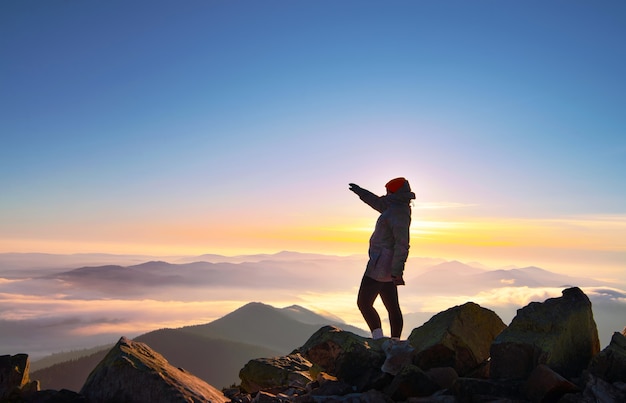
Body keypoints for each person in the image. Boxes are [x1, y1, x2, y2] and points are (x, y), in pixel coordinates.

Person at [349, 177, 415, 340]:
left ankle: (378, 340)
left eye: (388, 191)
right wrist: (360, 192)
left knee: (364, 303)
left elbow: (402, 244)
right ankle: (395, 343)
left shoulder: (398, 213)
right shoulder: (394, 205)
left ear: (394, 192)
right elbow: (377, 202)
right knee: (392, 306)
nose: (385, 193)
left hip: (381, 266)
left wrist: (397, 271)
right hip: (385, 265)